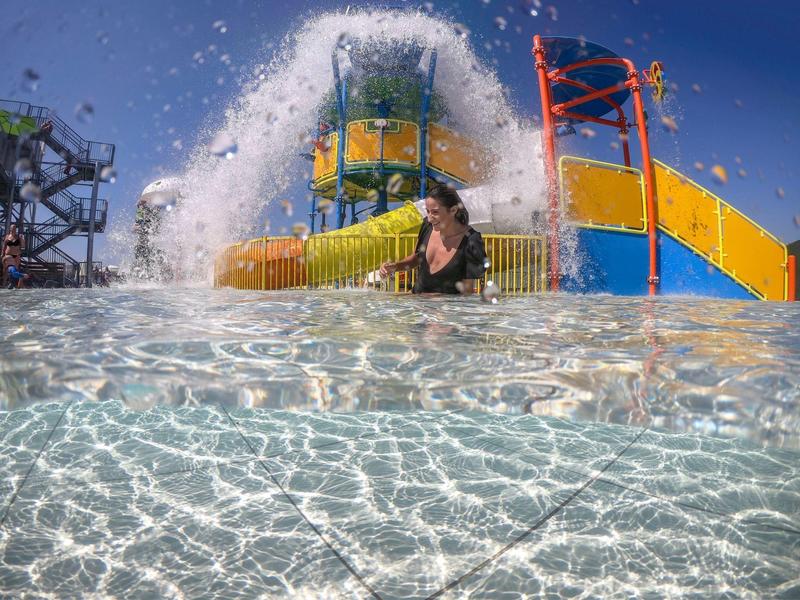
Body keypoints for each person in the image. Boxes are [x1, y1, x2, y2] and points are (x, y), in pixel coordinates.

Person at [380, 185, 488, 294]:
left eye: (435, 212)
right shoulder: (427, 225)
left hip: (447, 309)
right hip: (417, 304)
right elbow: (415, 259)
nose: (430, 218)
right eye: (428, 211)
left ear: (453, 210)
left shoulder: (471, 241)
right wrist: (394, 266)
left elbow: (467, 293)